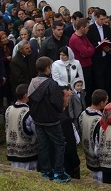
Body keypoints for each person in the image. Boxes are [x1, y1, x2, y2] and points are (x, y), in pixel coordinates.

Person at [30, 55, 73, 183]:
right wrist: (61, 107)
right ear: (48, 68)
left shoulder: (32, 82)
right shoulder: (51, 84)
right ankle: (59, 172)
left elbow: (30, 100)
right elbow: (56, 102)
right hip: (51, 120)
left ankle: (46, 171)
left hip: (37, 119)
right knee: (59, 144)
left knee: (43, 145)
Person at [6, 83, 40, 170]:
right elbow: (37, 132)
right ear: (25, 95)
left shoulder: (8, 109)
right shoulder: (28, 113)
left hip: (13, 153)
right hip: (28, 156)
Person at [80, 89, 109, 182]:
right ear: (101, 103)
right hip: (97, 158)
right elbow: (99, 141)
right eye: (106, 101)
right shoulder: (99, 120)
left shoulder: (83, 114)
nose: (107, 103)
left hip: (88, 154)